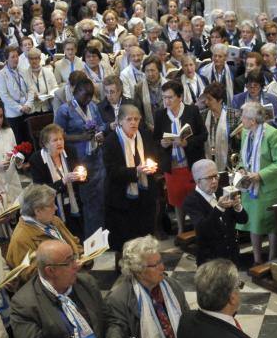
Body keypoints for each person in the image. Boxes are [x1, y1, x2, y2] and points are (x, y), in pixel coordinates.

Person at [235, 101, 277, 265]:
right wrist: (241, 169)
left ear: (252, 121)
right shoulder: (245, 132)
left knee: (271, 224)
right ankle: (257, 259)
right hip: (249, 186)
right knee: (253, 222)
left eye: (243, 117)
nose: (241, 120)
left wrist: (260, 175)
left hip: (269, 187)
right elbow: (243, 156)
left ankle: (272, 258)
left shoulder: (273, 134)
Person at [103, 104, 160, 255]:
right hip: (121, 199)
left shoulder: (145, 136)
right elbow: (112, 171)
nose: (133, 123)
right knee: (125, 242)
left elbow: (154, 157)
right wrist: (136, 171)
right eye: (129, 119)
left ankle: (147, 269)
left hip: (145, 196)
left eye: (137, 119)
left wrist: (153, 167)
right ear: (120, 121)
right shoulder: (111, 141)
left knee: (145, 238)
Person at [153, 80, 207, 239]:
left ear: (180, 97)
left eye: (170, 97)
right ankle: (181, 230)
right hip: (173, 164)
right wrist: (162, 144)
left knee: (195, 198)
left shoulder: (192, 111)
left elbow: (203, 135)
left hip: (191, 162)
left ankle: (199, 229)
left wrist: (186, 142)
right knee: (177, 199)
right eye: (164, 98)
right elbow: (155, 139)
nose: (166, 101)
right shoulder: (160, 115)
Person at [55, 77, 106, 239]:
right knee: (88, 200)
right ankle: (90, 237)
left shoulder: (92, 106)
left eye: (91, 95)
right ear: (76, 92)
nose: (89, 99)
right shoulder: (64, 110)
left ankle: (102, 235)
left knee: (100, 198)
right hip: (78, 158)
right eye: (86, 95)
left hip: (96, 156)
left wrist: (99, 133)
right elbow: (58, 135)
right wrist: (81, 137)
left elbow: (101, 124)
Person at [183, 159, 247, 266]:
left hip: (232, 255)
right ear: (198, 181)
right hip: (210, 260)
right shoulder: (191, 201)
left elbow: (243, 220)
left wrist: (238, 207)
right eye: (209, 178)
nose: (214, 181)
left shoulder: (222, 191)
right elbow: (203, 228)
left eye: (216, 176)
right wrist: (219, 208)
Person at [6, 184, 82, 269]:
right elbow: (30, 274)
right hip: (59, 279)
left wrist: (84, 257)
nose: (56, 208)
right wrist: (68, 266)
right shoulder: (21, 239)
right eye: (52, 205)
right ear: (38, 211)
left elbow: (73, 242)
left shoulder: (54, 220)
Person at [28, 124, 85, 237]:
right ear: (45, 144)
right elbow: (40, 190)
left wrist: (82, 176)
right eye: (55, 140)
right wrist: (63, 181)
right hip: (52, 207)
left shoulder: (69, 151)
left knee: (78, 237)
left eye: (61, 139)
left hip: (73, 204)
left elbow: (81, 174)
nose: (59, 143)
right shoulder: (37, 160)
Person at [0, 45, 33, 143]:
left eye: (17, 56)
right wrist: (19, 108)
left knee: (29, 139)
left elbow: (31, 89)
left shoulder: (24, 71)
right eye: (12, 57)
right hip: (13, 113)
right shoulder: (1, 74)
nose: (16, 59)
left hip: (27, 110)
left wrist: (28, 104)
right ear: (6, 59)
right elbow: (4, 96)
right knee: (18, 140)